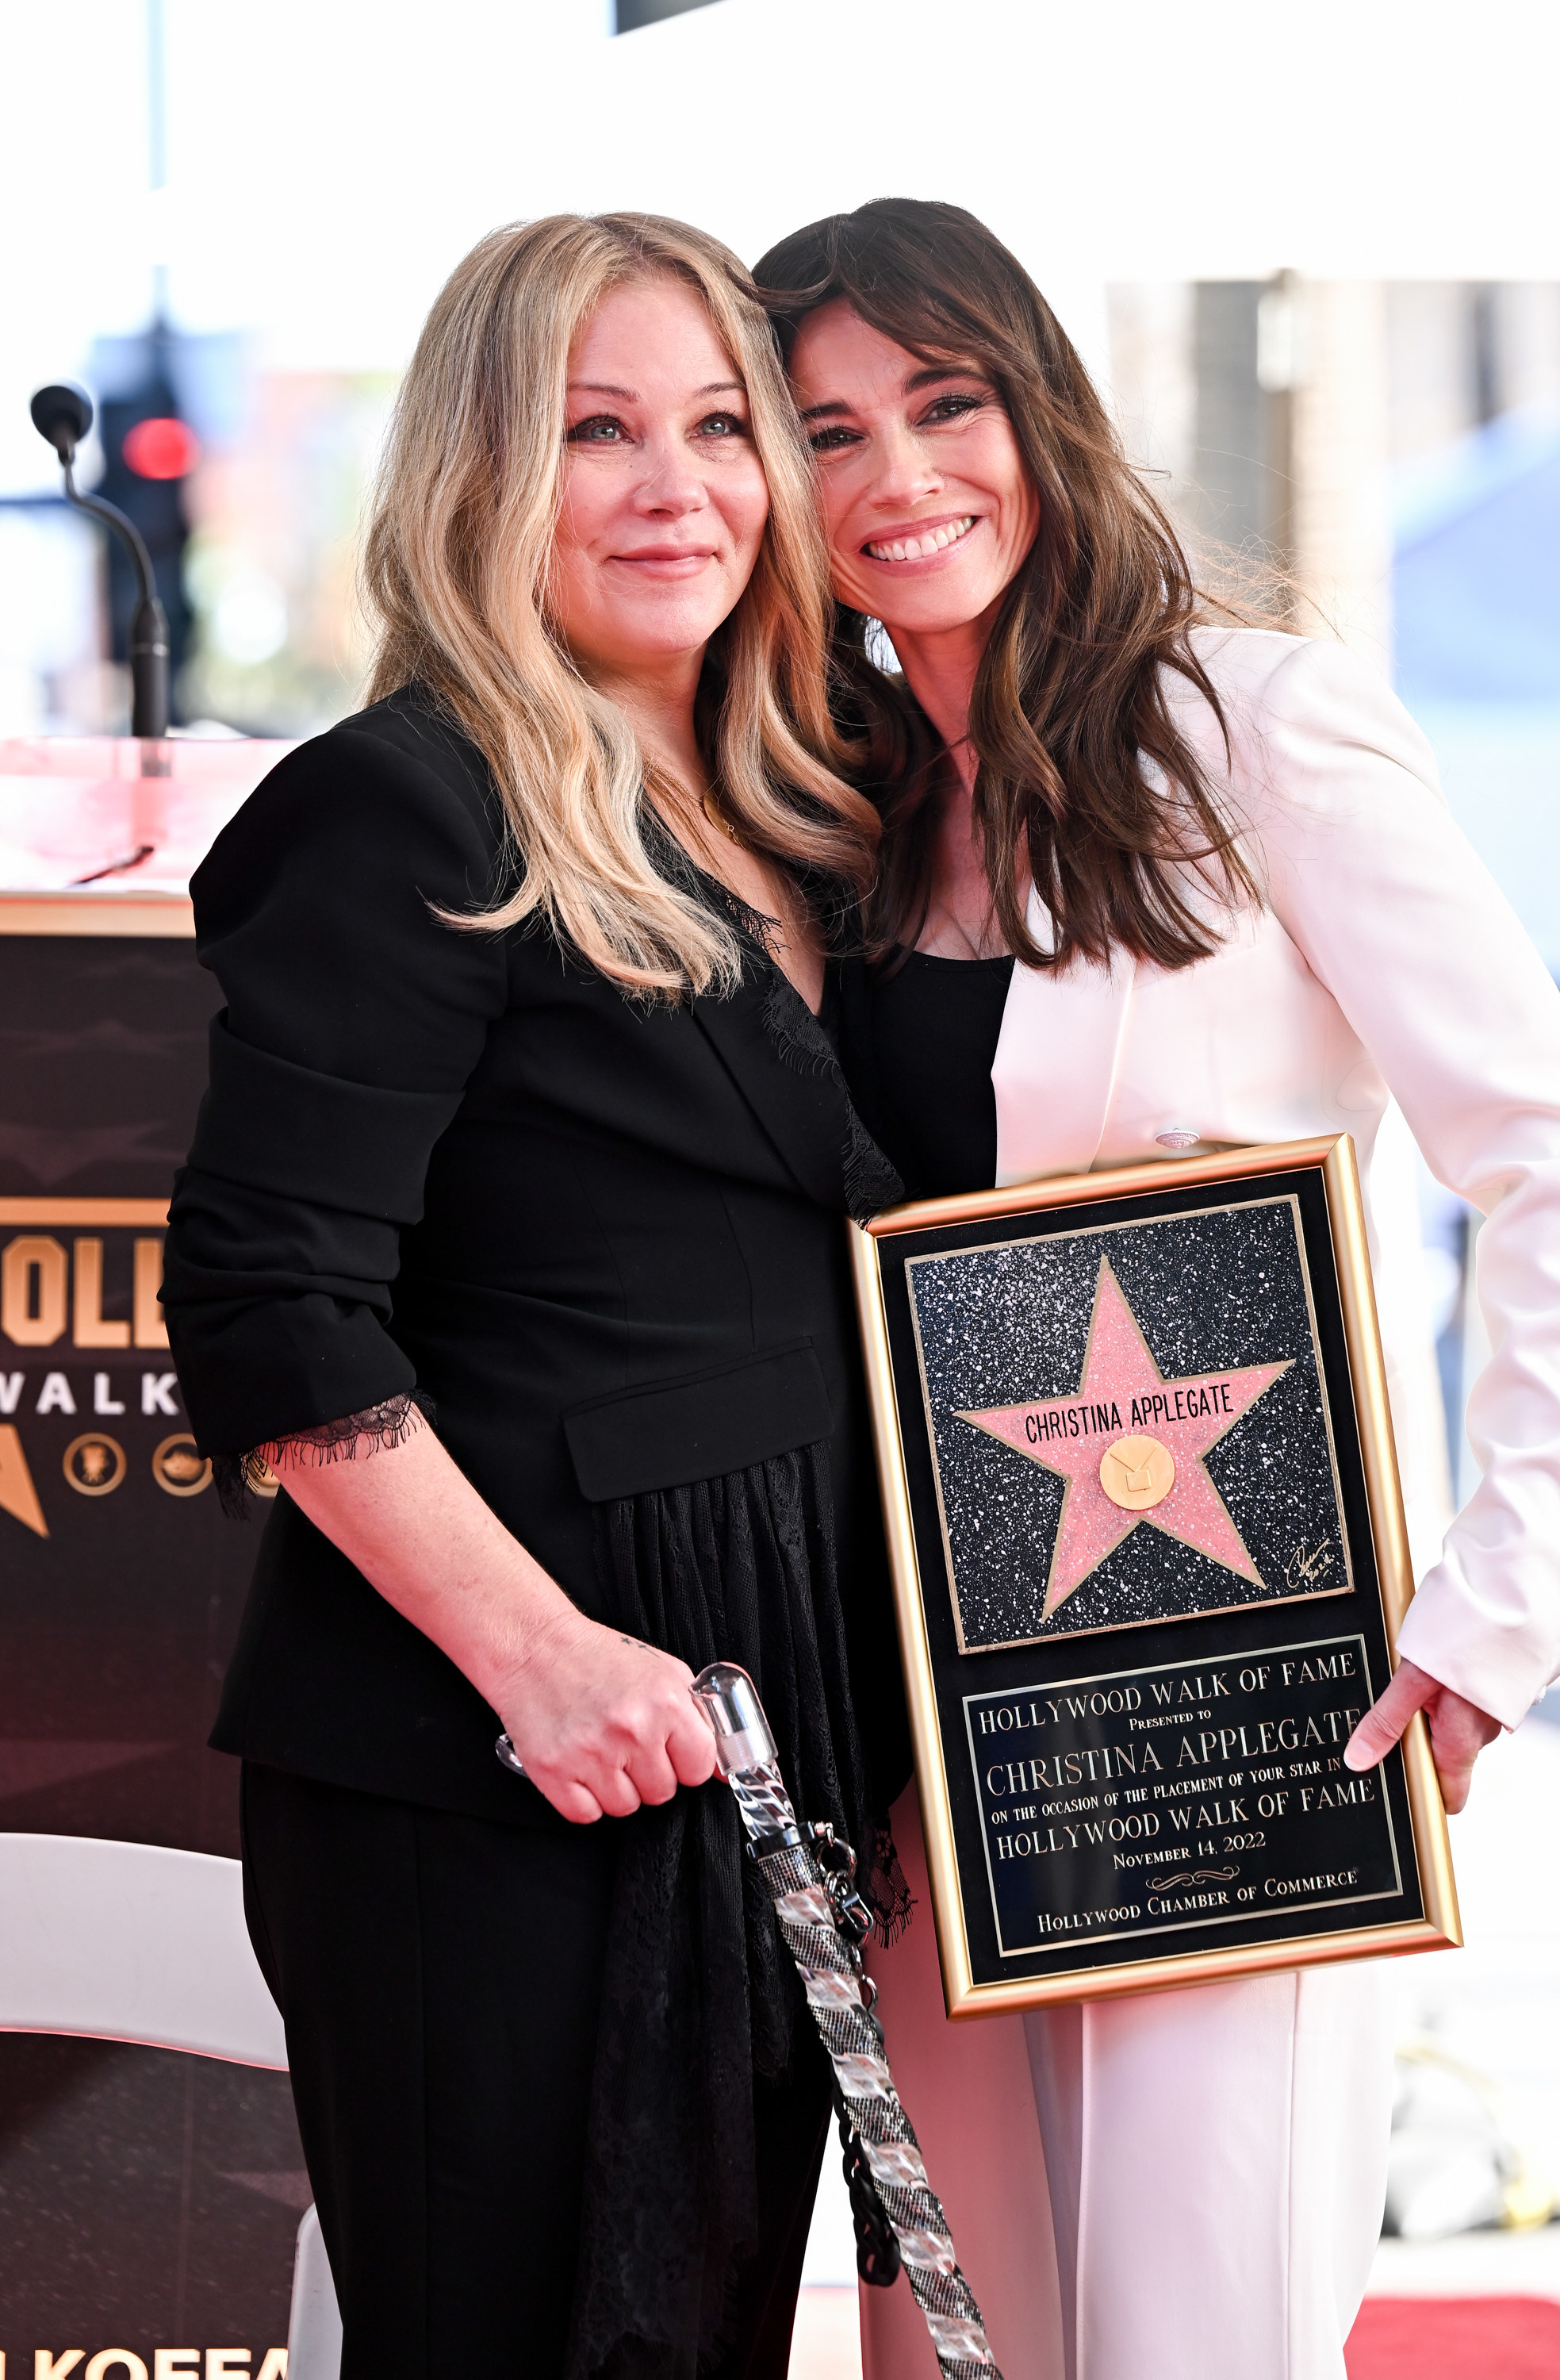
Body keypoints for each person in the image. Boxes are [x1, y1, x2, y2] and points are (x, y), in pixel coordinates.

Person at [753, 198, 1560, 2380]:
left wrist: (1501, 1606)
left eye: (942, 406)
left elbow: (1548, 1154)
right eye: (828, 431)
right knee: (956, 2341)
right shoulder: (836, 807)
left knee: (1194, 2327)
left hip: (1236, 1696)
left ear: (1038, 408)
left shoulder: (1254, 731)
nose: (895, 480)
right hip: (912, 1705)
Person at [163, 212, 910, 2379]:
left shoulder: (819, 806)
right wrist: (549, 1662)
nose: (677, 484)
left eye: (717, 425)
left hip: (768, 1713)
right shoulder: (398, 807)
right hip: (503, 1753)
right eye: (599, 431)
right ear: (483, 474)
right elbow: (272, 1311)